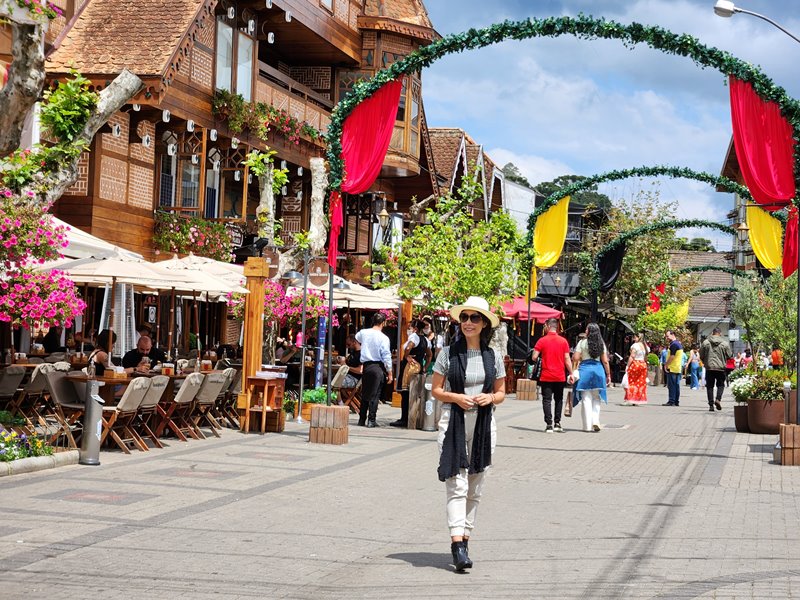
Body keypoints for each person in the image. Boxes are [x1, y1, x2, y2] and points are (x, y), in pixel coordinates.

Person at [431, 296, 505, 572]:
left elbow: (501, 392)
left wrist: (490, 398)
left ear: (484, 323)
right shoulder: (448, 353)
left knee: (475, 487)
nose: (468, 323)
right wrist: (456, 397)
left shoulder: (492, 356)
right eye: (465, 318)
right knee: (457, 484)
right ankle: (457, 546)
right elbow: (435, 389)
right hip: (454, 422)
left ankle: (465, 538)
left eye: (475, 318)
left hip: (484, 426)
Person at [530, 317, 572, 432]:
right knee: (558, 399)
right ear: (556, 327)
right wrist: (572, 373)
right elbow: (567, 359)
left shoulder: (542, 340)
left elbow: (534, 357)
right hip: (560, 376)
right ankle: (557, 423)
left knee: (547, 400)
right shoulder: (563, 341)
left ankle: (549, 424)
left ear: (548, 326)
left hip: (546, 375)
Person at [355, 312, 393, 428]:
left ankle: (362, 419)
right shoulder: (384, 338)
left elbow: (357, 338)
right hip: (378, 366)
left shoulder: (364, 333)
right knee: (375, 394)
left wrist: (362, 348)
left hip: (366, 366)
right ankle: (371, 420)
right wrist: (390, 373)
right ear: (383, 323)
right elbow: (386, 355)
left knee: (365, 392)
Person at [571, 323, 611, 432]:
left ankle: (587, 426)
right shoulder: (601, 344)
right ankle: (596, 421)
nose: (585, 330)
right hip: (598, 370)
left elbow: (575, 358)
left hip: (585, 371)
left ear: (589, 331)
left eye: (586, 329)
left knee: (586, 398)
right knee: (597, 398)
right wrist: (608, 374)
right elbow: (605, 361)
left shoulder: (582, 342)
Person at [391, 320, 430, 428]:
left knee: (405, 392)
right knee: (414, 393)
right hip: (419, 367)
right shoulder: (426, 340)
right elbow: (429, 355)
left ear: (415, 328)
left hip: (409, 367)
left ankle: (404, 418)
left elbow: (408, 348)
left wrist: (407, 356)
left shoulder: (414, 337)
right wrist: (425, 367)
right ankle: (412, 418)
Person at [700, 328, 732, 412]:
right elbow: (729, 355)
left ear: (712, 333)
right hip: (720, 368)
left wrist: (705, 361)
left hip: (709, 367)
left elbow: (701, 355)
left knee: (709, 386)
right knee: (720, 385)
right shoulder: (725, 344)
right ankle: (718, 399)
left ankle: (711, 405)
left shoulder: (705, 342)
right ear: (720, 333)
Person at [624, 332, 649, 405]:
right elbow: (646, 357)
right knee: (640, 383)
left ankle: (630, 398)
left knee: (632, 382)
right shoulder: (645, 346)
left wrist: (627, 366)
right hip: (643, 364)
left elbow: (632, 356)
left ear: (637, 337)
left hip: (636, 364)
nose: (633, 339)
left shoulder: (635, 346)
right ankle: (638, 399)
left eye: (634, 337)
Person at [663, 330, 684, 406]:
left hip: (672, 367)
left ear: (673, 335)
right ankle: (676, 401)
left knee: (671, 385)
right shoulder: (678, 344)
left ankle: (671, 401)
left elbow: (672, 356)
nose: (667, 338)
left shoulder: (674, 345)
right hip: (677, 367)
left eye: (668, 336)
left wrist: (666, 365)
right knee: (676, 385)